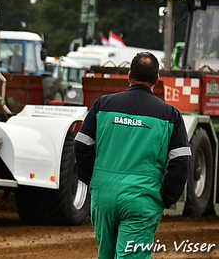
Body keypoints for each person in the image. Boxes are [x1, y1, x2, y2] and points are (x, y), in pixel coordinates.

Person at [75, 52, 191, 259]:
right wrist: (167, 197)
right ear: (156, 80)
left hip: (104, 195)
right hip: (142, 198)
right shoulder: (170, 115)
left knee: (106, 254)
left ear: (129, 76)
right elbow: (181, 160)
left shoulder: (102, 105)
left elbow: (82, 144)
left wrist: (93, 180)